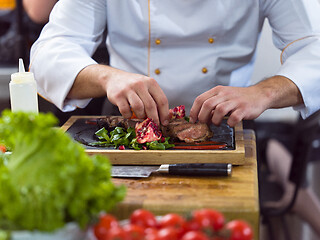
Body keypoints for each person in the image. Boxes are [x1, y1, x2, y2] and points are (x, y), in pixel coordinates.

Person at [29, 0, 320, 127]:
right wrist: (107, 78)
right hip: (128, 122)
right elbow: (49, 52)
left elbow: (314, 48)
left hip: (225, 126)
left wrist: (263, 93)